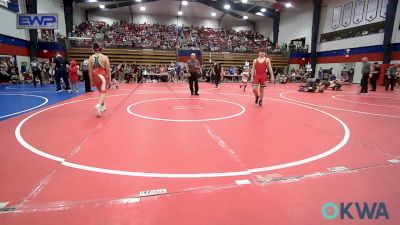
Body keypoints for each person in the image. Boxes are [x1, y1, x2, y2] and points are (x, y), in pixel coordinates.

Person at [88, 42, 111, 117]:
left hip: (95, 76)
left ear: (93, 49)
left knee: (100, 91)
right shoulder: (104, 57)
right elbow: (108, 70)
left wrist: (91, 80)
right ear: (100, 48)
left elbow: (90, 71)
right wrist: (109, 80)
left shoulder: (90, 58)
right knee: (103, 92)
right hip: (102, 76)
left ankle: (102, 106)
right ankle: (99, 105)